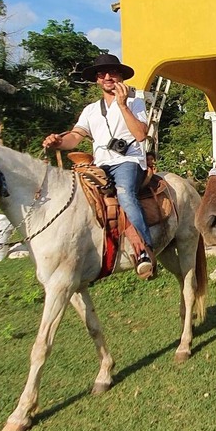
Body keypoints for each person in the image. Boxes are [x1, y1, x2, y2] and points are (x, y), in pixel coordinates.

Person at [43, 52, 154, 278]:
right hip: (99, 164)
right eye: (101, 74)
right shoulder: (91, 110)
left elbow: (141, 135)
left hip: (127, 161)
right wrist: (58, 142)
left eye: (112, 72)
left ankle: (144, 250)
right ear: (96, 80)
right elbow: (75, 137)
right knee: (73, 196)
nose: (107, 76)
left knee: (124, 195)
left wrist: (123, 106)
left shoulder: (135, 101)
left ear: (121, 76)